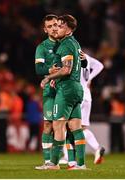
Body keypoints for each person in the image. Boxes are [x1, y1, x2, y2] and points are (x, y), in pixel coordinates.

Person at [37, 14, 86, 170]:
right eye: (54, 25)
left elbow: (66, 69)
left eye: (60, 25)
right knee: (76, 127)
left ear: (69, 28)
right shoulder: (76, 43)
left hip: (66, 89)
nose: (57, 28)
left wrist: (48, 77)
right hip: (77, 88)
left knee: (58, 126)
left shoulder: (65, 44)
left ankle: (53, 163)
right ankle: (80, 164)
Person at [66, 51, 105, 167]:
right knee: (81, 128)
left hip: (76, 95)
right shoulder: (85, 56)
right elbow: (100, 66)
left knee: (67, 127)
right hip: (87, 96)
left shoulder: (68, 57)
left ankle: (70, 159)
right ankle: (97, 148)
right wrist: (89, 79)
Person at [35, 14, 60, 166]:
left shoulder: (67, 43)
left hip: (65, 89)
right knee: (48, 125)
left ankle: (70, 161)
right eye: (49, 26)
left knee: (68, 125)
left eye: (55, 25)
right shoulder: (42, 47)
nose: (53, 28)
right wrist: (49, 70)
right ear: (45, 30)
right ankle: (47, 161)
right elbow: (38, 69)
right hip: (50, 91)